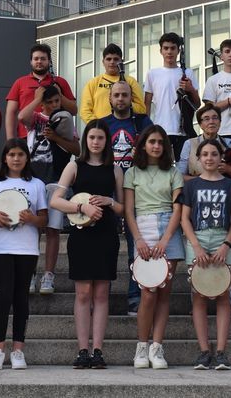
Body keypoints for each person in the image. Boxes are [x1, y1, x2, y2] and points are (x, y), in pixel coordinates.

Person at [51, 120, 124, 369]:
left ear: (106, 141)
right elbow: (55, 201)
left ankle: (98, 350)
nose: (95, 141)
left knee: (102, 293)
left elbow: (123, 208)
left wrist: (109, 202)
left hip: (106, 235)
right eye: (91, 137)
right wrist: (82, 206)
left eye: (100, 138)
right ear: (85, 140)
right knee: (83, 293)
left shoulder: (114, 170)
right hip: (81, 235)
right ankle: (83, 349)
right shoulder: (74, 166)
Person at [0, 139, 48, 370]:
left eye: (20, 154)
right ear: (4, 158)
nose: (16, 159)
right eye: (11, 155)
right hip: (0, 248)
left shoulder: (36, 184)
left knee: (21, 299)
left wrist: (32, 219)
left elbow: (44, 219)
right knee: (3, 297)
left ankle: (18, 351)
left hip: (27, 248)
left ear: (27, 158)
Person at [123, 125, 184, 369]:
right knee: (147, 293)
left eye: (160, 142)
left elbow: (178, 208)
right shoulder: (132, 173)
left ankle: (157, 348)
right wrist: (138, 239)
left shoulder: (173, 171)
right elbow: (128, 210)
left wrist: (165, 239)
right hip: (143, 228)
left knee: (164, 293)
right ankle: (142, 346)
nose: (156, 146)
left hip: (169, 230)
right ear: (143, 145)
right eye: (152, 142)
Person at [178, 140, 231, 370]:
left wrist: (226, 244)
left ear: (220, 157)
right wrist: (195, 246)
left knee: (224, 295)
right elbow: (184, 218)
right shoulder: (191, 185)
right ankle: (204, 351)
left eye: (214, 154)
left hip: (222, 238)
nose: (209, 158)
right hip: (199, 239)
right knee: (199, 296)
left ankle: (222, 352)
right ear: (198, 158)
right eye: (204, 154)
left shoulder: (230, 185)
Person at [20, 85, 79, 295]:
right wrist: (36, 99)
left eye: (56, 101)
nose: (54, 105)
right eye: (49, 102)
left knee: (53, 229)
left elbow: (77, 149)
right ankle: (30, 273)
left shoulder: (65, 120)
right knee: (32, 227)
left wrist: (56, 138)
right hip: (33, 179)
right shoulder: (35, 118)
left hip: (56, 179)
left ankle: (48, 274)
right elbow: (21, 116)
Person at [100, 80, 152, 316]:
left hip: (137, 191)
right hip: (107, 191)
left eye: (125, 95)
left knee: (135, 247)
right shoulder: (102, 125)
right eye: (116, 95)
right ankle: (102, 297)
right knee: (106, 247)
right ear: (110, 99)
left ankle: (135, 296)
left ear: (131, 98)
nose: (120, 99)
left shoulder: (143, 123)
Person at [144, 32, 199, 161]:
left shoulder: (187, 72)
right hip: (160, 129)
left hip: (183, 129)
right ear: (161, 51)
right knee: (161, 166)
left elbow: (196, 105)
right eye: (166, 48)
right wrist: (146, 129)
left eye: (173, 48)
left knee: (183, 168)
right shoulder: (152, 74)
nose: (169, 52)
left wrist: (190, 89)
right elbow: (147, 103)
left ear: (178, 51)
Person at [5, 43, 77, 140]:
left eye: (43, 59)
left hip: (56, 136)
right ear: (31, 61)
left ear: (49, 61)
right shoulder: (20, 82)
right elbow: (11, 112)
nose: (39, 61)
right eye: (36, 59)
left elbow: (74, 110)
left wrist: (59, 94)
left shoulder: (60, 82)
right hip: (26, 136)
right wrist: (10, 140)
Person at [79, 43, 146, 124]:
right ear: (103, 62)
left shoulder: (131, 82)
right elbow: (85, 111)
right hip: (101, 132)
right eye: (108, 59)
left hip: (126, 129)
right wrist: (99, 126)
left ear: (121, 61)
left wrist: (126, 104)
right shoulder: (93, 83)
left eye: (116, 59)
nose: (112, 62)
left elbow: (142, 109)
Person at [177, 104, 231, 183]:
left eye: (215, 118)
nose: (211, 122)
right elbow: (180, 176)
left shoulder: (228, 143)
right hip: (197, 189)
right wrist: (203, 179)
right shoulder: (189, 144)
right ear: (200, 125)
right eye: (206, 119)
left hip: (223, 189)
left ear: (220, 122)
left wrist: (229, 169)